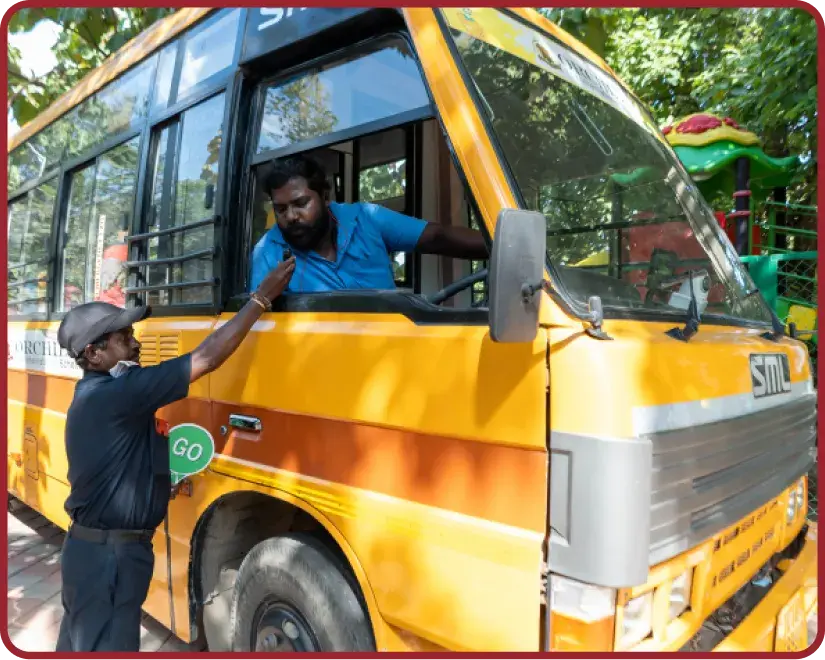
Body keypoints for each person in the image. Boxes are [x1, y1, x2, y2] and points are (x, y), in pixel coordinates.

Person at [54, 257, 296, 652]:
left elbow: (113, 469)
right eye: (123, 338)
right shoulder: (116, 395)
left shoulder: (97, 398)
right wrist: (260, 299)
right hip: (107, 561)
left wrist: (156, 487)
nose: (136, 342)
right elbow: (206, 358)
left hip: (101, 556)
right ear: (94, 355)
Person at [249, 155, 489, 293]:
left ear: (325, 196)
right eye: (280, 209)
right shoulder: (268, 253)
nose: (290, 216)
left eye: (300, 203)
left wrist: (510, 248)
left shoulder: (366, 218)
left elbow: (437, 236)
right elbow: (261, 327)